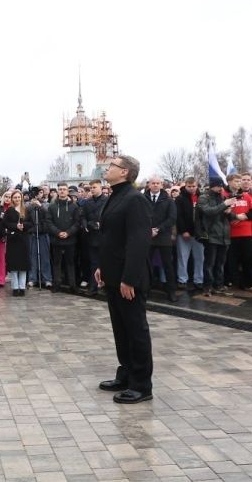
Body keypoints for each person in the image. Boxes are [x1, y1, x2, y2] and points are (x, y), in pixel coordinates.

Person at [94, 155, 153, 405]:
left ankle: (141, 385)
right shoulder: (115, 196)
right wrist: (102, 267)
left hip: (128, 279)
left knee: (135, 330)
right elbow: (111, 238)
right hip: (112, 275)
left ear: (124, 172)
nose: (107, 168)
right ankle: (126, 374)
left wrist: (129, 278)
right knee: (121, 330)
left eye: (112, 165)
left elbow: (138, 241)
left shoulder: (135, 199)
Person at [196, 177, 235, 296]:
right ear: (213, 186)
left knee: (220, 263)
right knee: (209, 263)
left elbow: (227, 216)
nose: (221, 188)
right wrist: (224, 205)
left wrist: (230, 212)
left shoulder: (222, 197)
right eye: (218, 186)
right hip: (211, 235)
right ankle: (207, 287)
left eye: (221, 186)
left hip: (224, 235)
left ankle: (219, 285)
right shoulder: (204, 197)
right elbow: (208, 211)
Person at [143, 175, 177, 301]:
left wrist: (158, 229)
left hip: (163, 236)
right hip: (147, 236)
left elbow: (172, 218)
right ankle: (145, 289)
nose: (155, 185)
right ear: (149, 184)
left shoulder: (169, 200)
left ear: (162, 185)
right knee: (146, 265)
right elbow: (139, 216)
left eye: (158, 183)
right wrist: (148, 229)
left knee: (168, 265)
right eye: (153, 183)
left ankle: (171, 291)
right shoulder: (142, 199)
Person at [46, 183, 83, 292]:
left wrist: (68, 232)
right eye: (60, 189)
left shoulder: (74, 206)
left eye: (64, 189)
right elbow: (49, 222)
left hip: (70, 239)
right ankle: (57, 284)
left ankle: (72, 285)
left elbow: (77, 222)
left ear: (67, 191)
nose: (62, 191)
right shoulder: (52, 206)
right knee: (56, 263)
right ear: (58, 191)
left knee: (70, 263)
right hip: (56, 239)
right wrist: (58, 232)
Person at [175, 177, 204, 292]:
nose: (192, 188)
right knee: (182, 257)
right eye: (189, 186)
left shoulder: (202, 197)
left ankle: (199, 280)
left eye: (194, 186)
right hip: (184, 233)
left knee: (200, 258)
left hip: (198, 233)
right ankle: (182, 279)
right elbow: (178, 216)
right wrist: (183, 231)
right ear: (185, 186)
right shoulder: (180, 198)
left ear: (197, 186)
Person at [82, 179, 108, 294]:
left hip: (104, 237)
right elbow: (83, 216)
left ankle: (106, 286)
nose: (92, 190)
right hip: (92, 236)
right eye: (91, 188)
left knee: (106, 263)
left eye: (94, 187)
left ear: (100, 187)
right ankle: (93, 286)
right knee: (93, 262)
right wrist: (86, 225)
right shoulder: (87, 202)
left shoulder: (107, 200)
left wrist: (101, 224)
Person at [3, 190, 31, 296]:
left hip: (23, 240)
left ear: (21, 198)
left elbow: (31, 223)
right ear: (12, 199)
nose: (17, 199)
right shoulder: (9, 210)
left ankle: (22, 287)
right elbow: (5, 223)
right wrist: (15, 226)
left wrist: (24, 226)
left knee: (23, 265)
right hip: (13, 240)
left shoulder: (26, 209)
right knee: (14, 265)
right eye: (15, 197)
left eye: (19, 197)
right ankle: (15, 287)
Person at [25, 187, 52, 288]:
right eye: (37, 193)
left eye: (41, 192)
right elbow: (26, 220)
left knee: (45, 258)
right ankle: (32, 278)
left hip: (43, 234)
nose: (39, 195)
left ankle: (47, 279)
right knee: (33, 257)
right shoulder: (29, 206)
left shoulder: (47, 204)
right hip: (33, 234)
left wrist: (40, 206)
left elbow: (49, 216)